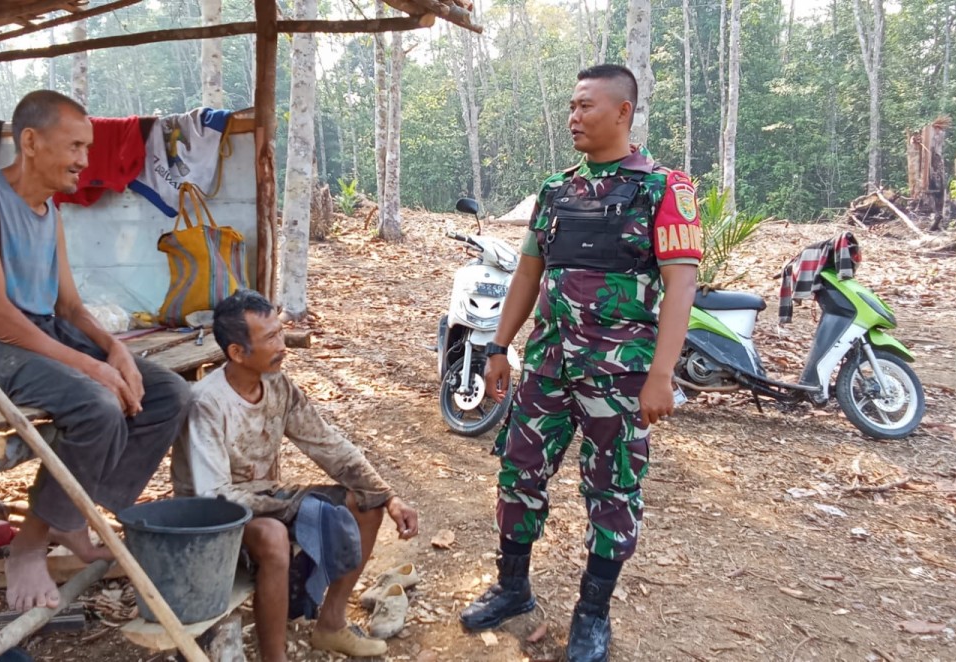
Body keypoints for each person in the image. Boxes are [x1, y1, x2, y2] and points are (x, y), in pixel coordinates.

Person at [458, 65, 702, 662]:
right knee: (518, 476)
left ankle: (593, 612)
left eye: (586, 106)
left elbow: (681, 285)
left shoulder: (664, 189)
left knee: (612, 491)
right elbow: (527, 275)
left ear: (623, 112)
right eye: (570, 106)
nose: (573, 116)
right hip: (548, 368)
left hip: (620, 376)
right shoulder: (555, 190)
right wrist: (497, 347)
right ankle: (513, 588)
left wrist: (662, 375)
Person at [0, 90, 192, 612]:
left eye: (87, 148)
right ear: (30, 142)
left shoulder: (49, 211)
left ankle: (73, 514)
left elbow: (69, 305)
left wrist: (114, 349)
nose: (84, 161)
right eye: (74, 146)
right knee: (96, 404)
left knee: (169, 393)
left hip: (45, 329)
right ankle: (28, 546)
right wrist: (89, 366)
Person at [172, 290, 420, 661]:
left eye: (279, 331)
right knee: (272, 535)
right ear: (237, 353)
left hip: (263, 498)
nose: (282, 344)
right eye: (269, 337)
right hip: (209, 522)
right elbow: (213, 498)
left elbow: (328, 444)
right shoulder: (206, 403)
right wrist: (290, 506)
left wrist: (388, 496)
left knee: (366, 505)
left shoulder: (277, 384)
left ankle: (331, 625)